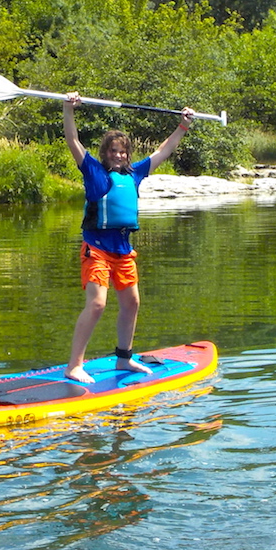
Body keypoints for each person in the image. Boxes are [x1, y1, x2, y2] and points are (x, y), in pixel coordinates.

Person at [62, 92, 196, 383]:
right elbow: (73, 141)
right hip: (96, 248)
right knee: (97, 304)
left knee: (132, 302)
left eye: (122, 152)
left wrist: (182, 126)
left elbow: (165, 150)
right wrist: (68, 110)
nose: (118, 155)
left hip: (123, 250)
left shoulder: (135, 174)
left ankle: (124, 358)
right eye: (113, 151)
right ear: (105, 153)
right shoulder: (93, 171)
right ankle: (74, 365)